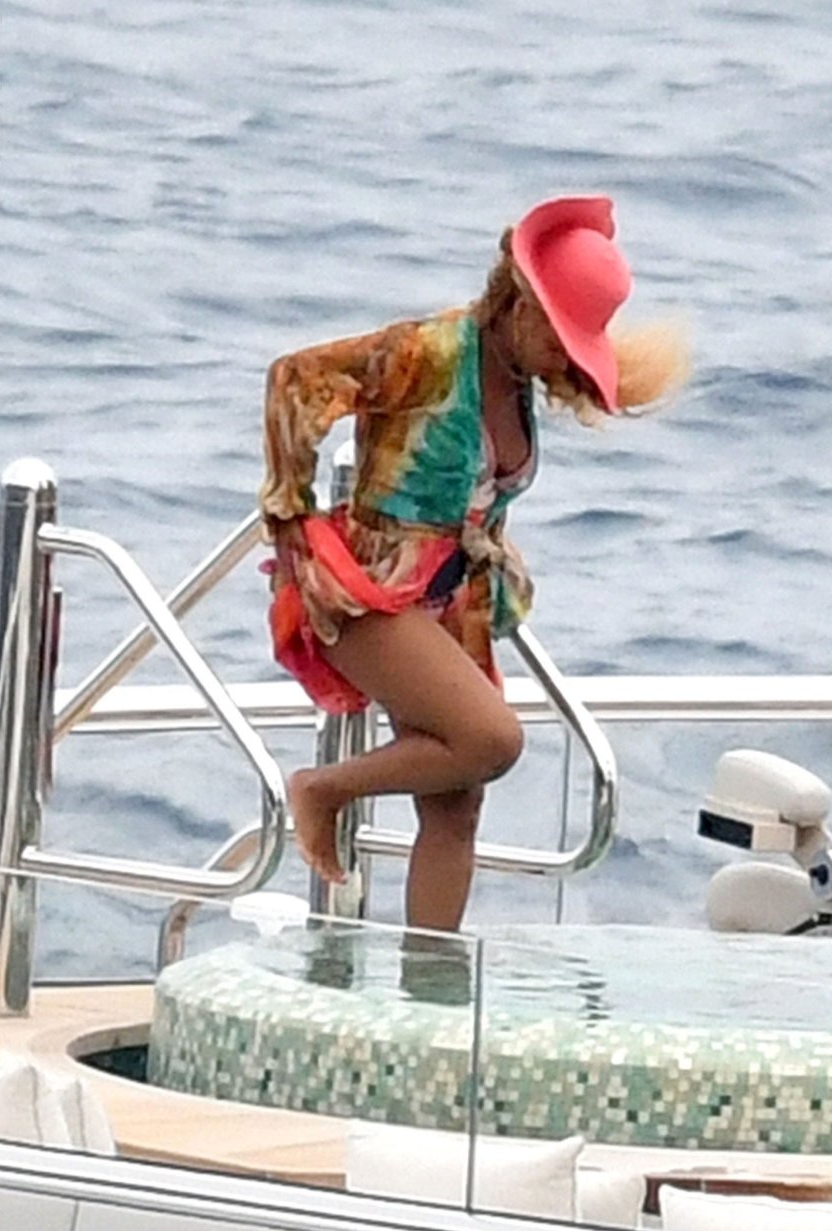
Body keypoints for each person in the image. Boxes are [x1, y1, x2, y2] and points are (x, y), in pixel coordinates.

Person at [257, 194, 687, 932]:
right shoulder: (429, 354)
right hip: (370, 588)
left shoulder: (518, 381)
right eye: (559, 338)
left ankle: (430, 986)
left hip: (450, 600)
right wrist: (290, 513)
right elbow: (296, 380)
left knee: (457, 808)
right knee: (492, 740)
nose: (562, 359)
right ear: (518, 304)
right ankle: (322, 789)